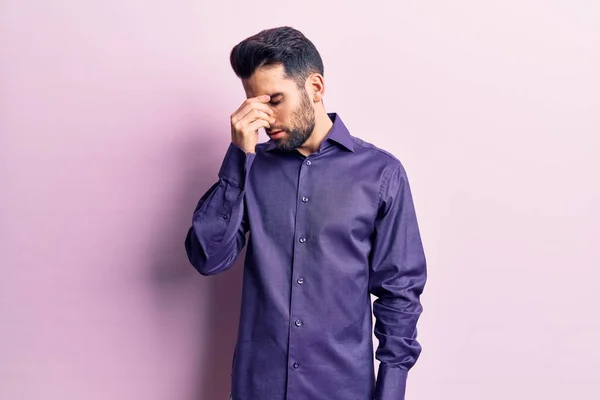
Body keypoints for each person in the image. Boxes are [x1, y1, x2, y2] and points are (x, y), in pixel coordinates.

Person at [185, 26, 427, 400]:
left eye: (274, 100)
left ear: (315, 88)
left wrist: (391, 391)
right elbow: (208, 257)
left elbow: (399, 293)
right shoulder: (250, 169)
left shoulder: (381, 174)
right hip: (257, 388)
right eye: (255, 104)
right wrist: (238, 158)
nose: (265, 119)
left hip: (342, 389)